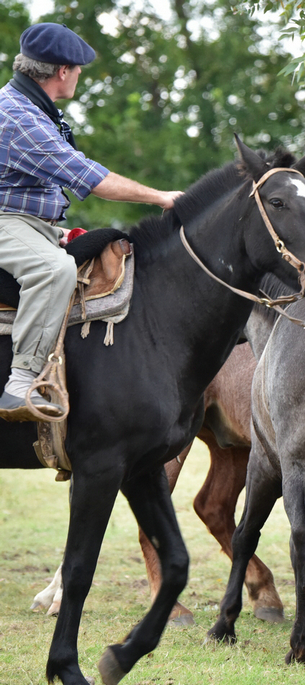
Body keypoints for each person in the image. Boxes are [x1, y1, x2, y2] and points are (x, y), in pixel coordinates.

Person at [0, 22, 183, 421]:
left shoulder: (33, 109)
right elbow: (91, 178)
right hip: (4, 221)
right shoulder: (17, 117)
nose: (80, 74)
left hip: (29, 222)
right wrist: (161, 197)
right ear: (62, 71)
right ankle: (20, 385)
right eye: (78, 67)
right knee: (54, 270)